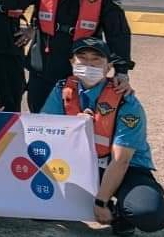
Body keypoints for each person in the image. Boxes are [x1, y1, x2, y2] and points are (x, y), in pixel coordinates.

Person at [42, 38, 164, 235]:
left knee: (148, 213)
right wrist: (72, 127)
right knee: (39, 206)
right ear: (72, 62)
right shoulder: (62, 91)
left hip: (124, 168)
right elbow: (45, 131)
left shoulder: (125, 101)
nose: (88, 64)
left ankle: (120, 215)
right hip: (78, 164)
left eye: (96, 59)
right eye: (82, 58)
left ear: (108, 67)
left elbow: (121, 160)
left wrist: (101, 202)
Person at [16, 0, 132, 113]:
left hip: (82, 71)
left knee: (80, 119)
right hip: (44, 69)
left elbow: (117, 31)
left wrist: (121, 70)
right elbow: (12, 3)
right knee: (39, 118)